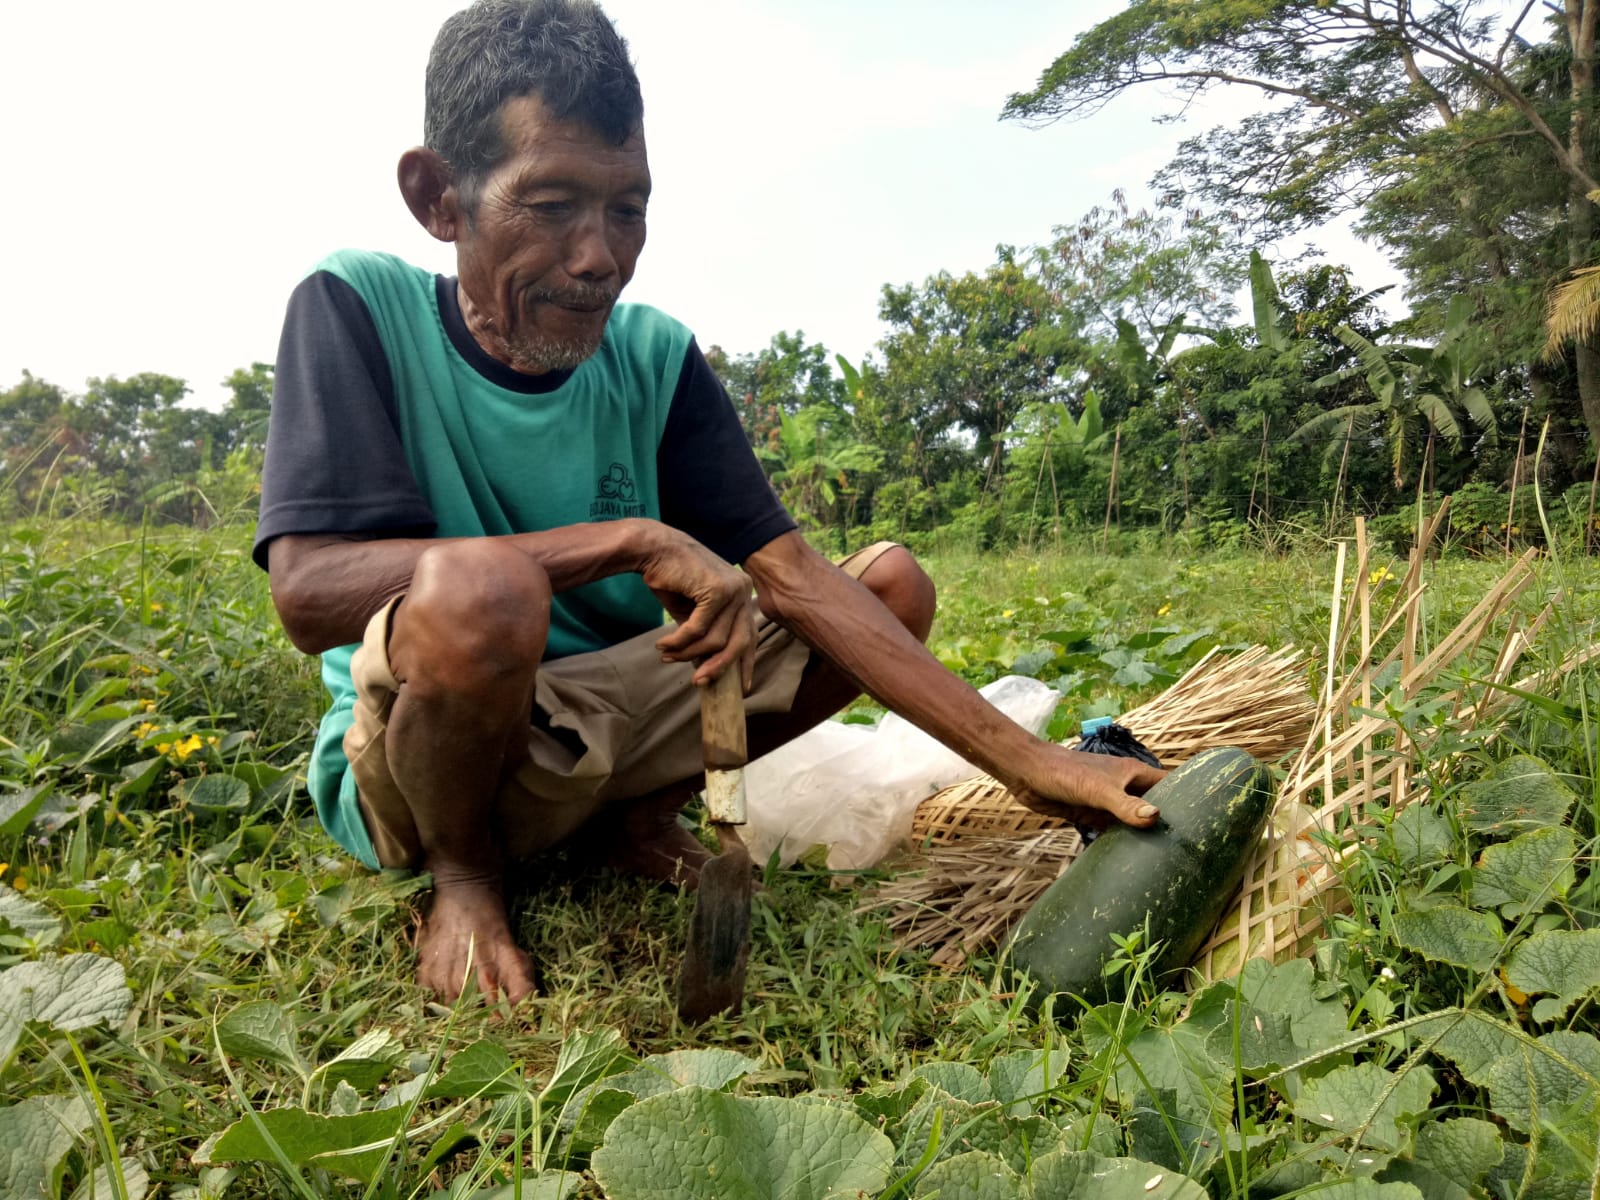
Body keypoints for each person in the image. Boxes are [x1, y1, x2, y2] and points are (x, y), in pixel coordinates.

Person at [253, 0, 1163, 1006]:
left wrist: (1034, 764)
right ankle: (468, 881)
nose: (599, 255)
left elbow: (798, 580)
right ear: (440, 199)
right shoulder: (356, 307)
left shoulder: (653, 356)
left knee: (889, 588)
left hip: (602, 725)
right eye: (551, 205)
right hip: (424, 760)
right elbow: (308, 593)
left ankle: (632, 824)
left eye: (627, 208)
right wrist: (627, 540)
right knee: (480, 588)